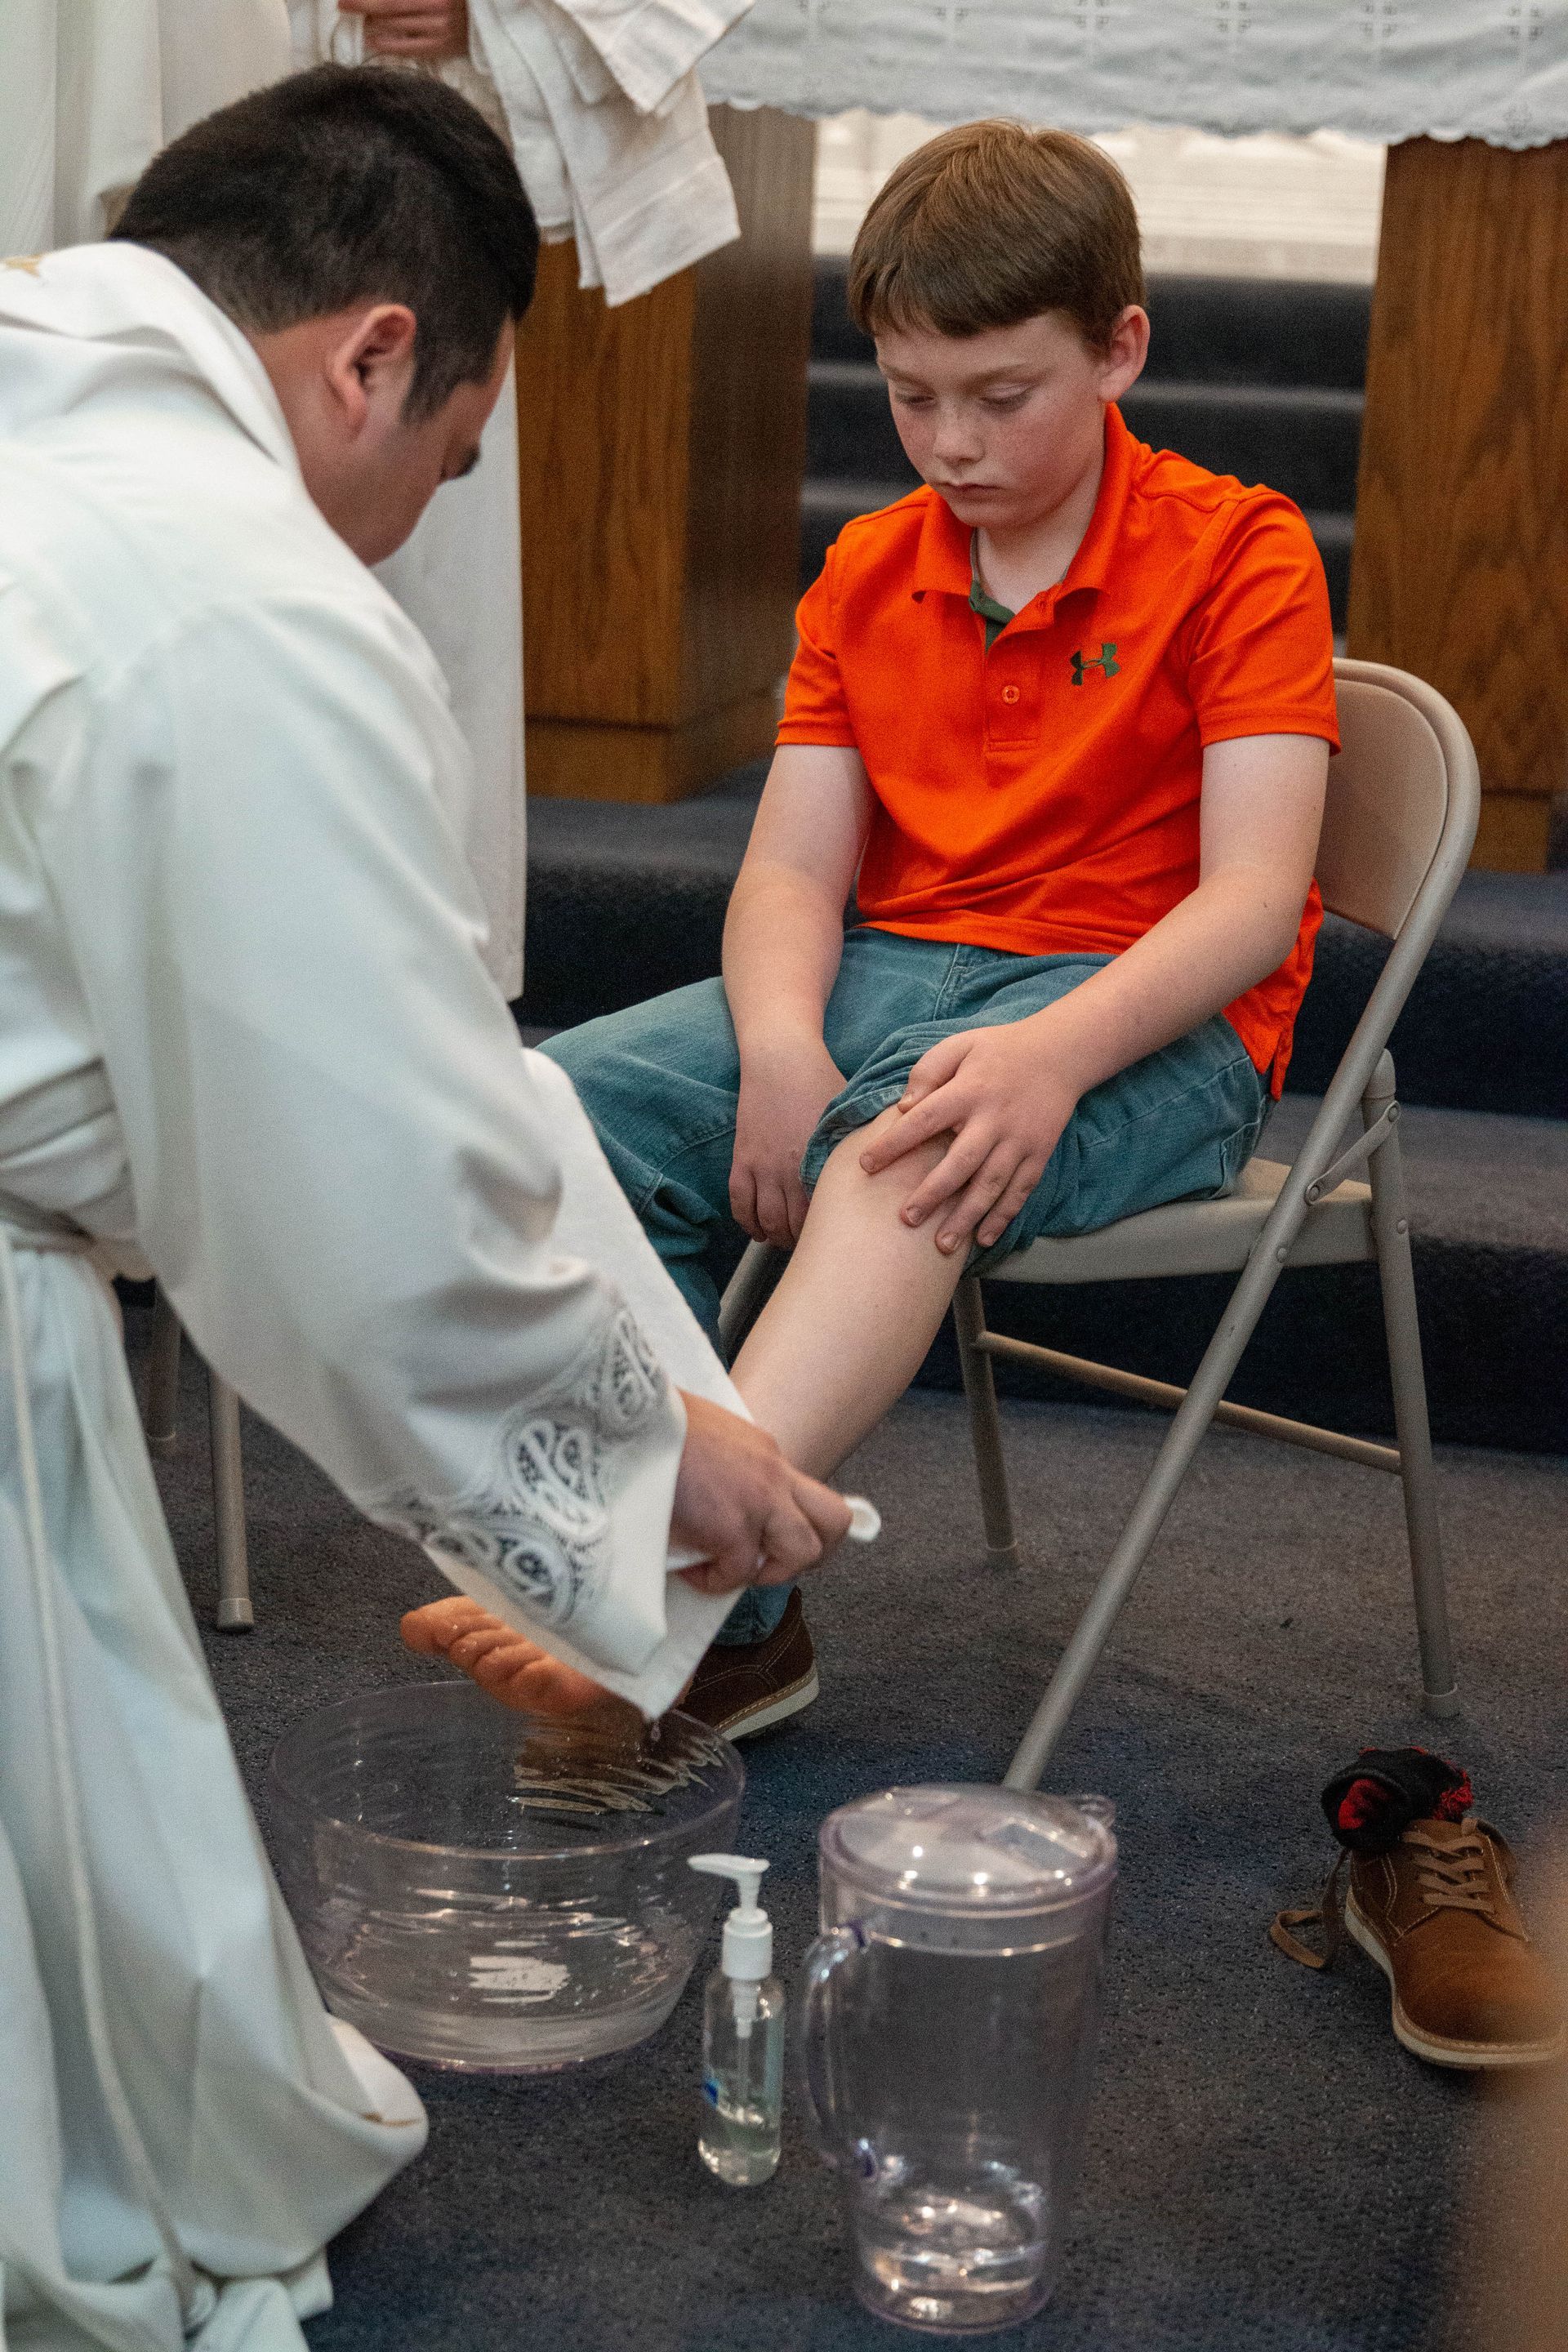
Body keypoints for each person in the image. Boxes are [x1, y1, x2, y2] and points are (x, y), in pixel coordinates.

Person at [0, 66, 846, 2352]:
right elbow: (355, 1191)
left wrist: (675, 1401)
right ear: (375, 353)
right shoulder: (230, 591)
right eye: (442, 473)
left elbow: (430, 1084)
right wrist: (659, 1473)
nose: (392, 538)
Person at [419, 120, 1338, 1740]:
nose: (951, 444)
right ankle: (737, 1620)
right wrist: (778, 1041)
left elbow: (1254, 900)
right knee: (551, 1114)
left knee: (907, 1149)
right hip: (890, 970)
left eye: (1001, 396)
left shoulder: (1238, 550)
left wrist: (1051, 1055)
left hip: (1142, 1013)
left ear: (1120, 348)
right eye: (913, 397)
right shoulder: (869, 565)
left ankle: (669, 1592)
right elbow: (793, 874)